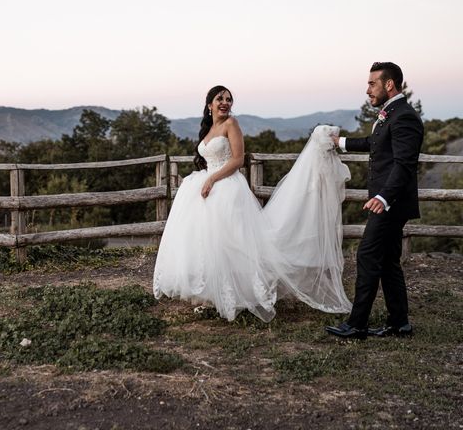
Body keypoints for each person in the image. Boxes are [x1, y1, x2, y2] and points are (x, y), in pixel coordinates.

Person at [153, 85, 353, 322]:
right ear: (209, 105)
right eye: (220, 99)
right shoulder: (209, 129)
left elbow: (237, 160)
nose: (225, 102)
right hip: (208, 184)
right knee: (208, 242)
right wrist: (205, 179)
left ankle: (239, 293)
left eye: (229, 99)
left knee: (233, 243)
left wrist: (212, 179)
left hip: (227, 187)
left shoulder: (231, 125)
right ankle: (212, 293)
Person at [326, 62, 424, 340]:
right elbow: (375, 142)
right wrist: (341, 143)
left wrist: (383, 196)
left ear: (389, 84)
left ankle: (357, 324)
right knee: (389, 260)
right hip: (389, 201)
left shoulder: (404, 116)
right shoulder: (392, 113)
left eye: (372, 83)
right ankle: (399, 323)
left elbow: (405, 164)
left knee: (367, 254)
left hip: (390, 203)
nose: (367, 89)